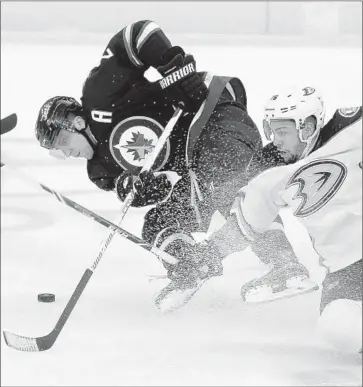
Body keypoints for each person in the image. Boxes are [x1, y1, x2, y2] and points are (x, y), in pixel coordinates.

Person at [34, 20, 299, 303]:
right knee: (157, 222)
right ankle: (191, 267)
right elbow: (151, 190)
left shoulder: (99, 95)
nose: (65, 154)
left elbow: (136, 33)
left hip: (210, 111)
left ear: (75, 122)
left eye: (61, 142)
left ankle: (286, 265)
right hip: (190, 165)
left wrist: (173, 68)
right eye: (56, 152)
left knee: (226, 185)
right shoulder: (100, 170)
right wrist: (140, 190)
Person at [178, 86, 362, 352]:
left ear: (308, 127)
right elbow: (245, 225)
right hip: (347, 270)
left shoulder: (351, 127)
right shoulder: (270, 169)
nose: (276, 140)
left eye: (283, 132)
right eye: (272, 131)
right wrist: (206, 256)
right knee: (338, 326)